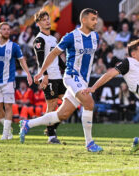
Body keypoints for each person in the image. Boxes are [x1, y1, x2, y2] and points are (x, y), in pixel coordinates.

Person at [19, 8, 103, 152]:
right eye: (93, 19)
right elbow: (53, 54)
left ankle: (28, 124)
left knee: (62, 114)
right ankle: (89, 143)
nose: (96, 22)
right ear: (83, 20)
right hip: (71, 76)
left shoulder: (95, 37)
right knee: (89, 103)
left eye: (96, 19)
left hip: (83, 80)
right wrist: (41, 72)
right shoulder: (71, 37)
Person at [32, 10, 66, 144]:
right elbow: (40, 60)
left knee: (69, 103)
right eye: (44, 19)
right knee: (52, 105)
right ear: (38, 23)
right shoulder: (39, 39)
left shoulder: (53, 39)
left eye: (48, 18)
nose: (47, 21)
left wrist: (66, 69)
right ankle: (51, 136)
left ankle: (50, 127)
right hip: (49, 77)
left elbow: (57, 57)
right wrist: (44, 75)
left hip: (58, 76)